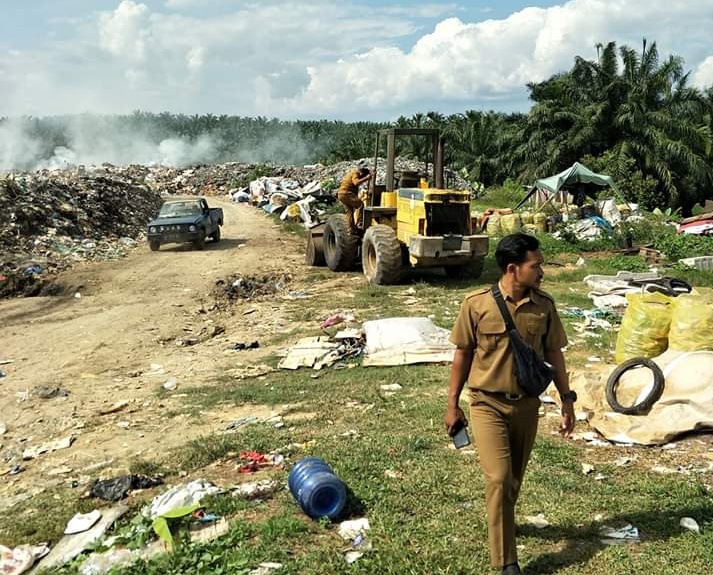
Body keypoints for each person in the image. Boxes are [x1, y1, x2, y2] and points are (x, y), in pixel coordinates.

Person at [444, 232, 576, 575]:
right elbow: (462, 354)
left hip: (527, 406)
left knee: (514, 478)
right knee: (499, 478)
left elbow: (554, 354)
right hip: (487, 403)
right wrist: (452, 404)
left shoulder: (544, 306)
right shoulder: (476, 304)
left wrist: (567, 400)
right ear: (513, 268)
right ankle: (507, 562)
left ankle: (502, 518)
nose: (542, 271)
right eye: (536, 266)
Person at [337, 160, 371, 235]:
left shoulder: (355, 173)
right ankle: (359, 224)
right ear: (360, 168)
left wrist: (368, 175)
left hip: (341, 194)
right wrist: (367, 178)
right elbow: (356, 182)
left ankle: (351, 229)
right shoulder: (355, 173)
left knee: (349, 211)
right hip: (346, 193)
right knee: (360, 205)